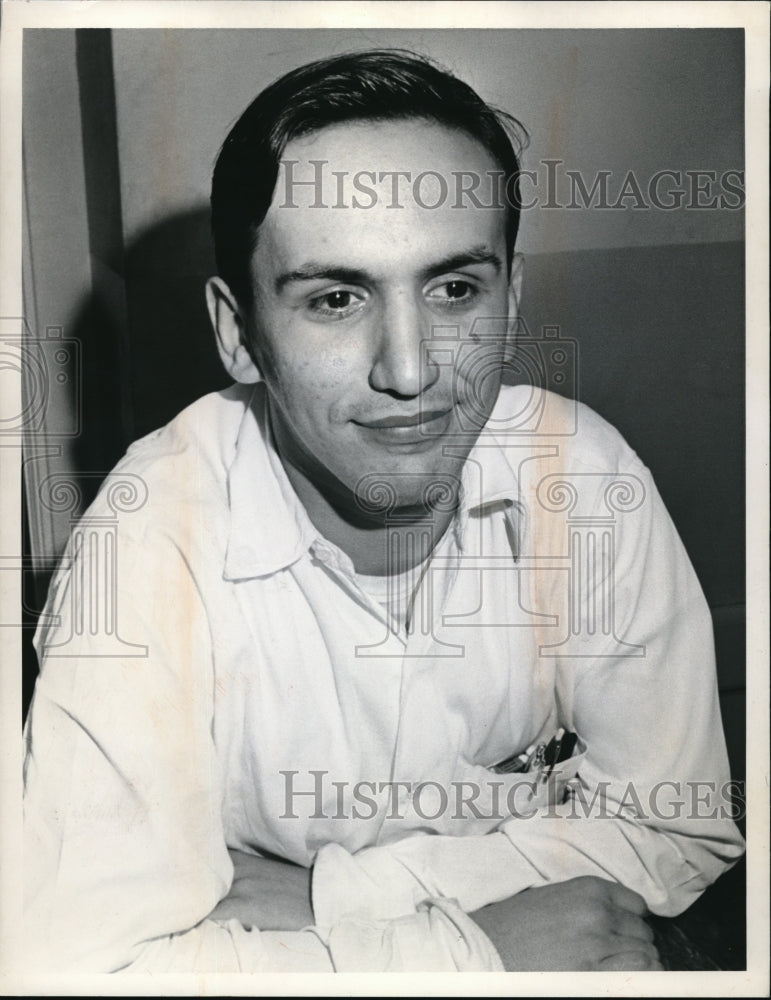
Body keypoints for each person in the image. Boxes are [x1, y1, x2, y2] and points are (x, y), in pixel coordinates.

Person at [22, 49, 744, 973]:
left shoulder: (583, 477)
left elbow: (678, 828)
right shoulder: (144, 542)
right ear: (238, 335)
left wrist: (334, 897)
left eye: (453, 290)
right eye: (335, 298)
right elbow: (75, 970)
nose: (409, 372)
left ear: (511, 296)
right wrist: (472, 953)